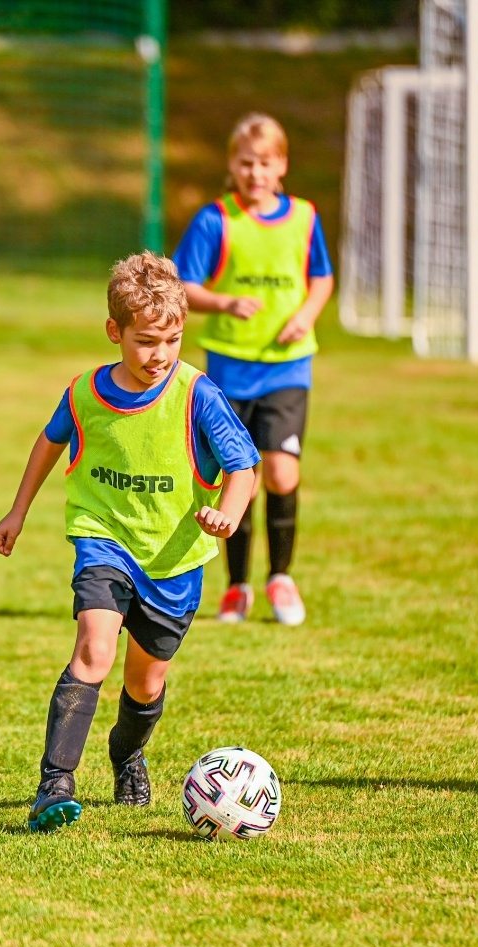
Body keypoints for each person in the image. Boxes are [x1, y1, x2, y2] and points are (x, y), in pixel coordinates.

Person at [0, 251, 258, 833]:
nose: (159, 355)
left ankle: (127, 753)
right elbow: (49, 442)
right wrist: (18, 511)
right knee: (94, 648)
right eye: (145, 341)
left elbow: (243, 467)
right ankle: (53, 785)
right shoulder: (86, 392)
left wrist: (228, 515)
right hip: (104, 539)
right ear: (115, 332)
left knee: (146, 680)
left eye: (172, 340)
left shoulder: (197, 395)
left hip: (174, 558)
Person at [173, 113, 334, 626]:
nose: (255, 172)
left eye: (265, 162)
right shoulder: (214, 221)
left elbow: (322, 279)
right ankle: (237, 587)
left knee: (282, 472)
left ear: (282, 165)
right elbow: (183, 286)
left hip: (287, 368)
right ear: (231, 165)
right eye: (246, 162)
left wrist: (305, 316)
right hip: (228, 370)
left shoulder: (304, 217)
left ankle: (281, 578)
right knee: (237, 478)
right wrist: (223, 303)